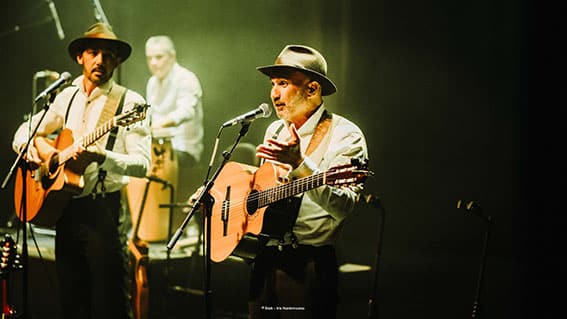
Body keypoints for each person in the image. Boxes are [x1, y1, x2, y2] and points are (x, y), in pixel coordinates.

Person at [12, 22, 151, 319]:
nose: (100, 60)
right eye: (93, 53)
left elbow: (142, 164)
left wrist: (102, 156)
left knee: (109, 304)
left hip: (103, 212)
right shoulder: (67, 96)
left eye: (108, 55)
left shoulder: (131, 102)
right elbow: (23, 133)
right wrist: (44, 152)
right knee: (71, 302)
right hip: (65, 209)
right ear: (80, 58)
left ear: (117, 61)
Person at [249, 45, 369, 318]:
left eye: (283, 83)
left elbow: (344, 206)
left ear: (312, 89)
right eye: (272, 84)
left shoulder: (345, 135)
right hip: (265, 260)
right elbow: (263, 190)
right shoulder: (275, 129)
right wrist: (223, 195)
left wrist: (301, 166)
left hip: (308, 266)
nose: (273, 93)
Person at [145, 36, 204, 216]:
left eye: (159, 57)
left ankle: (161, 222)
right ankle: (146, 223)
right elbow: (149, 117)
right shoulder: (152, 83)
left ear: (172, 56)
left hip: (184, 150)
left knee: (148, 162)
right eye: (150, 58)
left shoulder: (186, 78)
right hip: (158, 148)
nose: (154, 63)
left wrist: (156, 126)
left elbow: (186, 112)